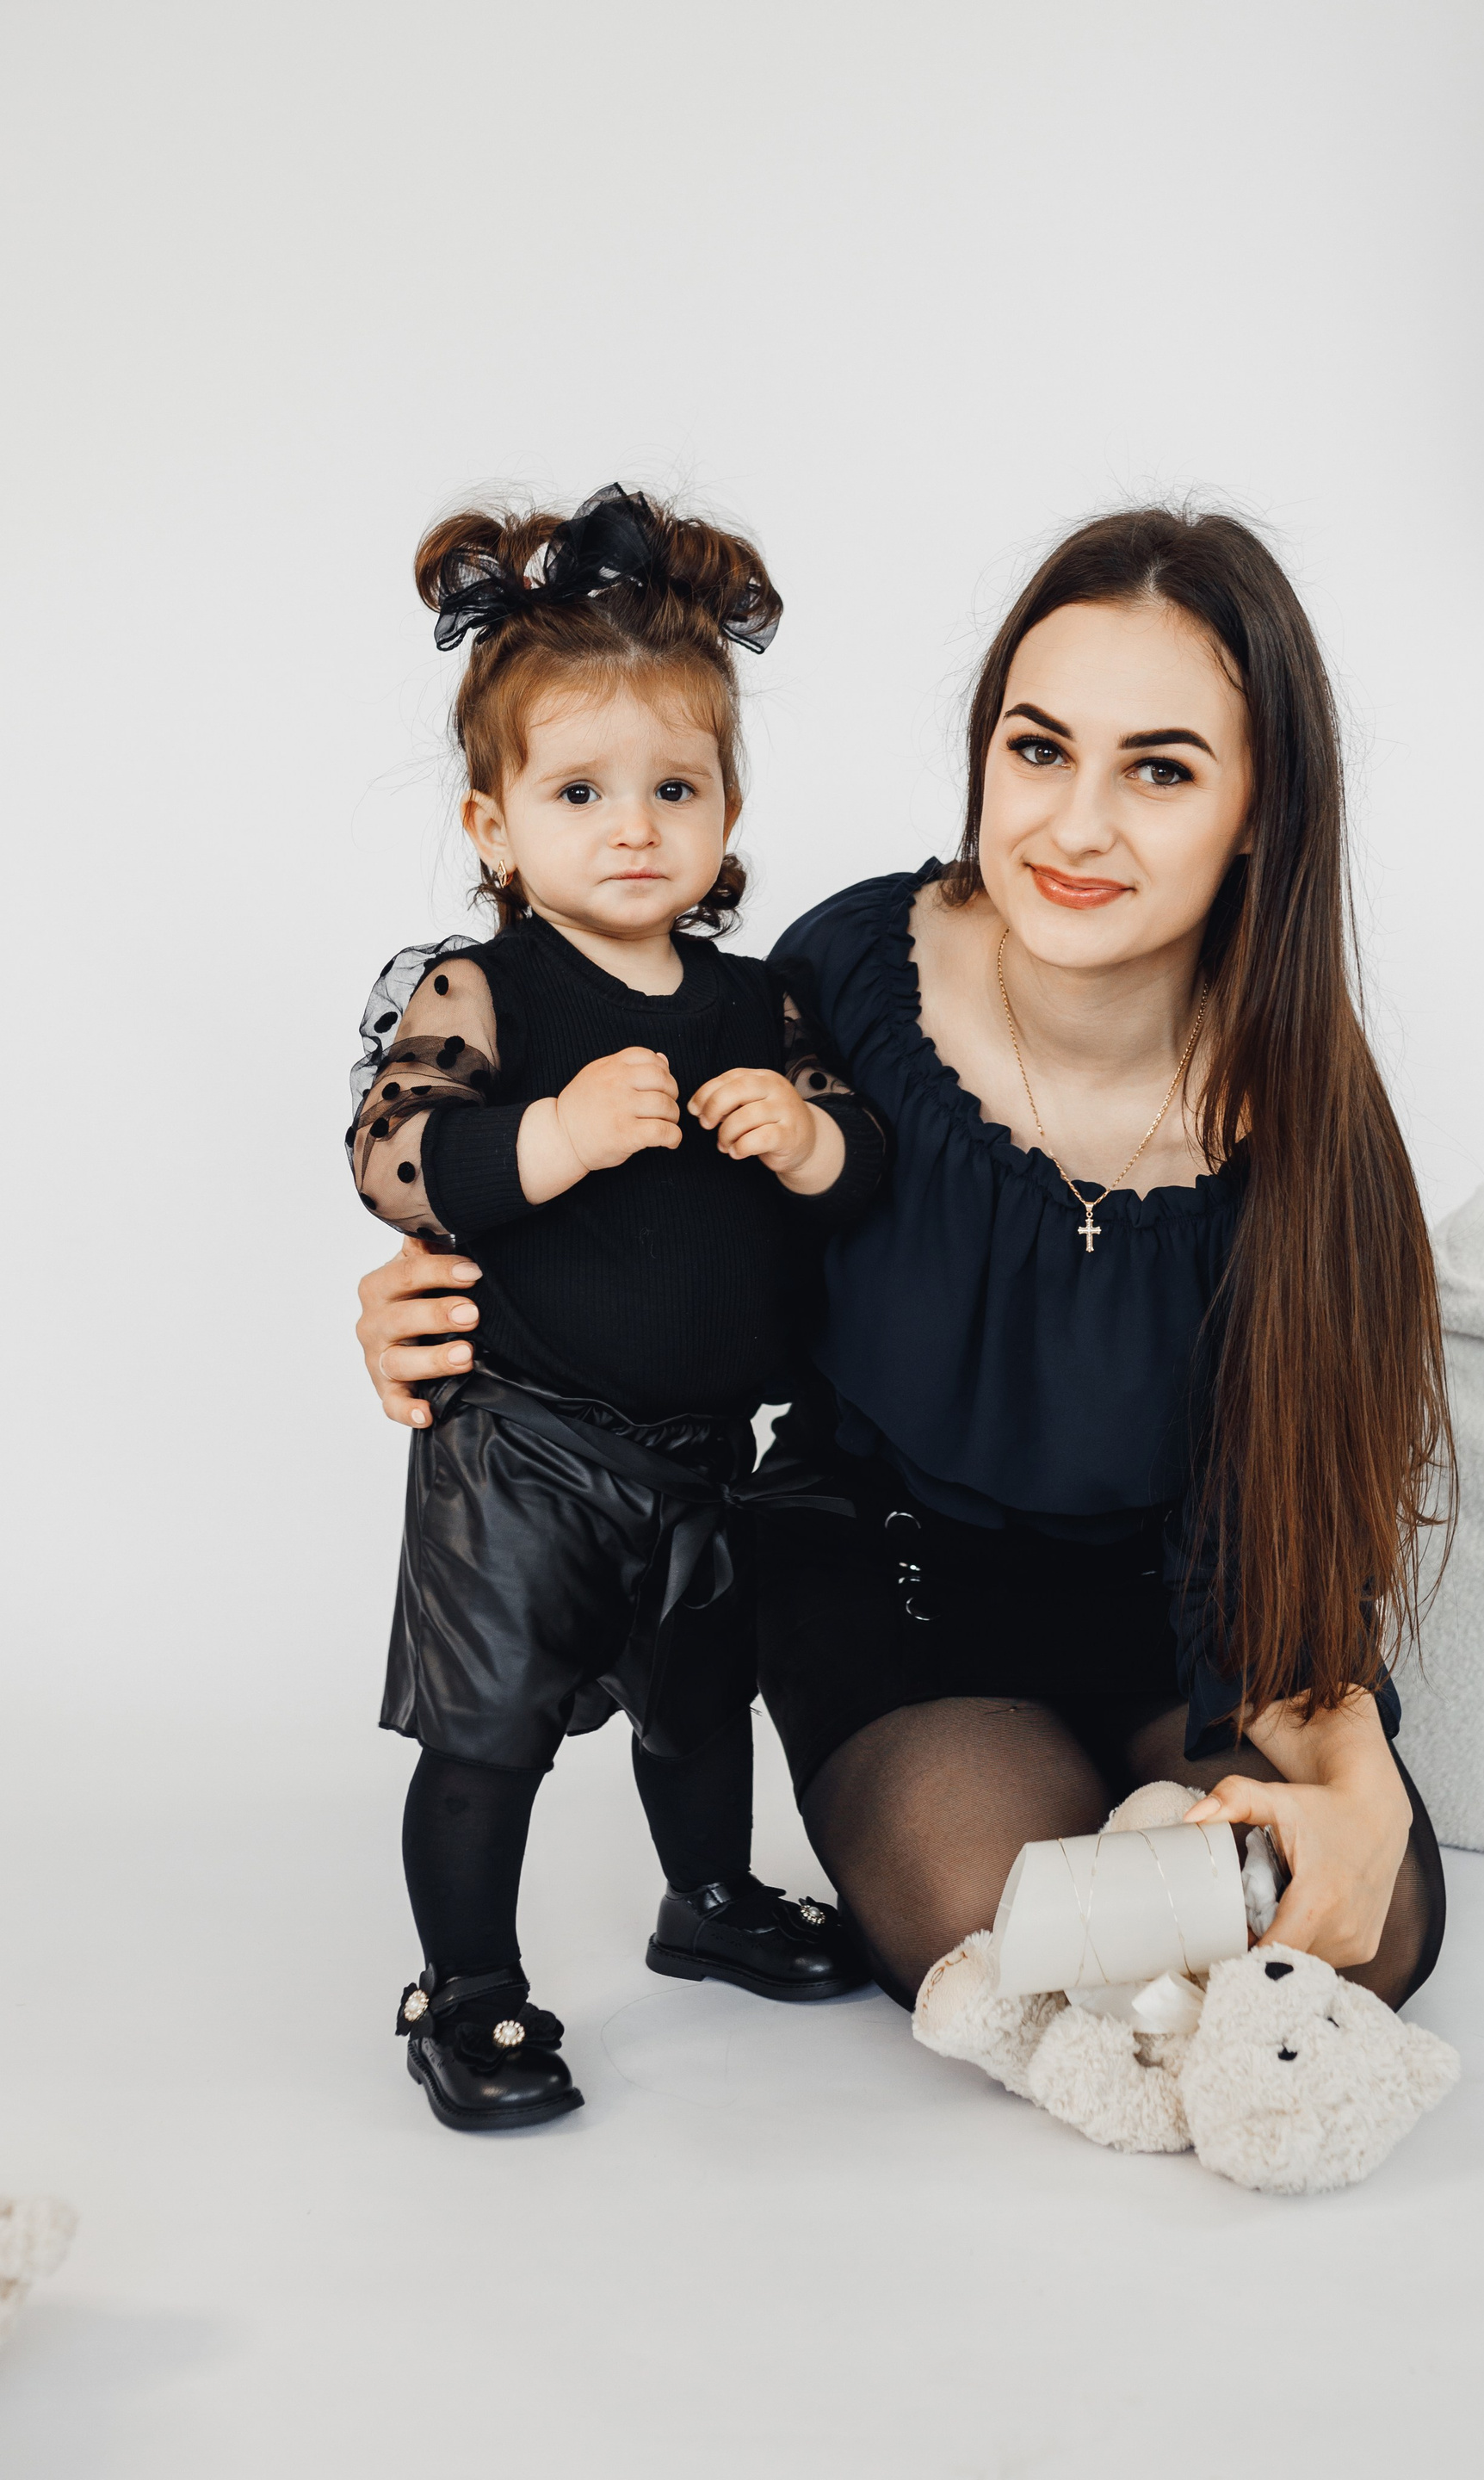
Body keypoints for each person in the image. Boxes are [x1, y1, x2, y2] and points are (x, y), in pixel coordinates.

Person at [358, 503, 1450, 2046]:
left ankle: (1193, 1905)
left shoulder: (1311, 1113)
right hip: (897, 1585)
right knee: (987, 1923)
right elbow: (630, 1219)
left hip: (1192, 1607)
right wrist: (431, 1289)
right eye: (1038, 748)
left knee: (1371, 1930)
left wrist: (1359, 1785)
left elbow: (1295, 1511)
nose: (1076, 827)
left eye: (1160, 769)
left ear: (1262, 809)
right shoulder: (847, 986)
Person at [350, 487, 881, 2134]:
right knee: (487, 1735)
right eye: (579, 791)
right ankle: (467, 1984)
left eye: (674, 788)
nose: (633, 827)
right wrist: (555, 1136)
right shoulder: (486, 989)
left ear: (728, 807)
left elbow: (860, 1172)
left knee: (702, 1704)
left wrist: (810, 1140)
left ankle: (706, 1897)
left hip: (708, 1451)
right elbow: (394, 1156)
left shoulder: (758, 1001)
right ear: (495, 824)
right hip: (524, 1445)